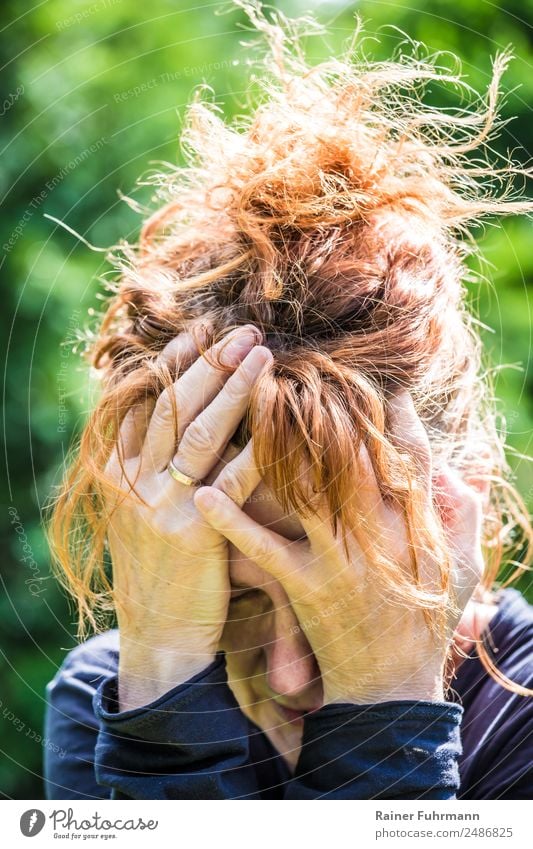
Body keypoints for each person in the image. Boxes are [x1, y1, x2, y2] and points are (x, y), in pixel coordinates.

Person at [44, 4, 533, 800]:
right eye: (229, 598)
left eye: (342, 583)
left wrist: (384, 712)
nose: (291, 673)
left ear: (464, 503)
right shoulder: (116, 696)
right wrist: (165, 688)